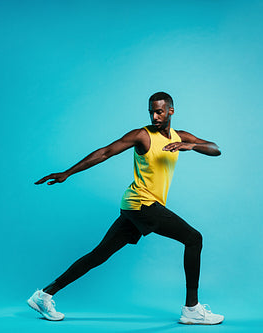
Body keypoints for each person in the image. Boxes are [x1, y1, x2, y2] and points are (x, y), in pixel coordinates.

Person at [27, 92, 224, 325]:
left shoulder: (179, 136)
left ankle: (44, 295)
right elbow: (105, 152)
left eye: (159, 111)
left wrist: (190, 145)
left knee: (98, 255)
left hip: (134, 207)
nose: (154, 116)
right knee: (194, 238)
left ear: (171, 111)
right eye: (151, 111)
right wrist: (67, 173)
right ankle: (191, 309)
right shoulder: (142, 135)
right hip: (142, 204)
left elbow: (215, 148)